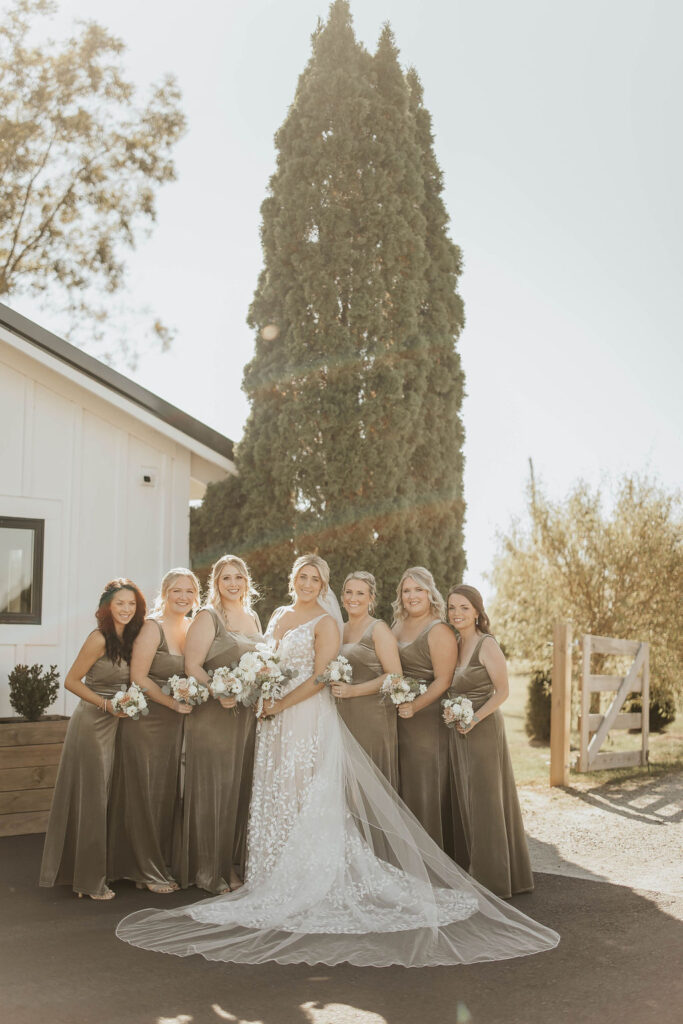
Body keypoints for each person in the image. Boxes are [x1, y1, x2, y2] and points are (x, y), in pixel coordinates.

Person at [117, 556, 558, 967]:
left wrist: (280, 704)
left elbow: (319, 679)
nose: (309, 584)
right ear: (294, 582)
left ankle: (309, 873)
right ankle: (270, 871)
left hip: (303, 714)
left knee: (306, 790)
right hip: (271, 717)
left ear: (323, 586)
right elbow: (265, 661)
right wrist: (262, 694)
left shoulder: (327, 622)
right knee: (276, 791)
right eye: (302, 577)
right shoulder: (274, 618)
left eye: (316, 579)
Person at [40, 579, 146, 900]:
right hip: (92, 722)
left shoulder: (130, 639)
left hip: (117, 723)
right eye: (120, 604)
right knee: (93, 797)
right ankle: (88, 881)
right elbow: (71, 681)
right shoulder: (98, 638)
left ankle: (96, 870)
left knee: (108, 797)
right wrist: (106, 704)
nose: (126, 609)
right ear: (107, 608)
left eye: (131, 604)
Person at [107, 569, 200, 893]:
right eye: (177, 590)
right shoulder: (152, 626)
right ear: (165, 592)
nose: (183, 597)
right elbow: (139, 677)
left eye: (189, 591)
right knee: (143, 791)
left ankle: (150, 864)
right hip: (146, 721)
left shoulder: (191, 627)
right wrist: (173, 704)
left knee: (163, 794)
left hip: (174, 725)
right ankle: (145, 870)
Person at [179, 555, 262, 893]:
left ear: (246, 582)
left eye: (238, 577)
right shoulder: (207, 616)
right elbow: (192, 665)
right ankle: (207, 870)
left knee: (239, 790)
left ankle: (229, 865)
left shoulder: (254, 616)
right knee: (215, 789)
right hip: (215, 714)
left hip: (245, 716)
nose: (232, 583)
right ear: (216, 582)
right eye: (226, 577)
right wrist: (219, 690)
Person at [446, 585, 534, 898]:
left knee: (486, 800)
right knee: (468, 799)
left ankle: (493, 880)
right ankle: (475, 869)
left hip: (482, 730)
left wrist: (474, 719)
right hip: (460, 731)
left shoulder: (487, 644)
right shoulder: (455, 642)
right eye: (452, 608)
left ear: (477, 612)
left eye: (464, 608)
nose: (457, 613)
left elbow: (502, 692)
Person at [391, 567, 465, 863]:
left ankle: (430, 861)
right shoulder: (396, 625)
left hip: (426, 720)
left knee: (424, 784)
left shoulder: (439, 629)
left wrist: (414, 706)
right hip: (397, 718)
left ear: (430, 593)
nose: (412, 596)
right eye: (406, 590)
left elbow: (443, 680)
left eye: (418, 590)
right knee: (402, 785)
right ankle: (404, 857)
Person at [333, 571, 401, 788]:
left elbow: (396, 677)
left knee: (371, 783)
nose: (353, 598)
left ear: (371, 598)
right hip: (342, 716)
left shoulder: (378, 629)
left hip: (372, 717)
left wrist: (354, 691)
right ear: (342, 596)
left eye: (360, 593)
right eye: (349, 592)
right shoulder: (338, 629)